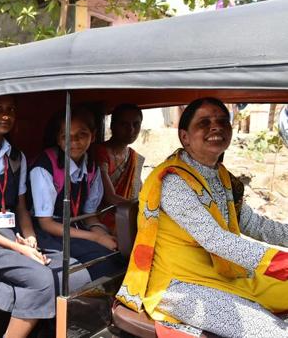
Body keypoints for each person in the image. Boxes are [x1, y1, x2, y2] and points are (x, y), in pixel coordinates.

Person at [117, 97, 288, 337]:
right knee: (273, 333)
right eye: (204, 123)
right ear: (184, 137)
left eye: (221, 121)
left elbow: (253, 224)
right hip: (181, 287)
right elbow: (216, 240)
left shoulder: (222, 176)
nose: (215, 127)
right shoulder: (172, 181)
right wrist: (282, 264)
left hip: (224, 275)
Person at [0, 95, 87, 338]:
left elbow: (21, 208)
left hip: (12, 229)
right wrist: (17, 248)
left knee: (70, 268)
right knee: (41, 278)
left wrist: (29, 239)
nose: (5, 115)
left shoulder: (17, 157)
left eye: (10, 110)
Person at [29, 107, 123, 281]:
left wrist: (103, 233)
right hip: (49, 233)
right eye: (66, 136)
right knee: (101, 261)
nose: (75, 141)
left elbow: (89, 216)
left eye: (82, 134)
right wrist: (95, 238)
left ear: (93, 136)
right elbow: (46, 224)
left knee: (117, 252)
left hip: (76, 226)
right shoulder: (44, 167)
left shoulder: (91, 167)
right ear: (58, 139)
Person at [93, 104, 144, 230]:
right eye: (124, 124)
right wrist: (143, 210)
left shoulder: (133, 157)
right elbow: (109, 197)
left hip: (128, 215)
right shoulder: (101, 152)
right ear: (112, 126)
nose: (131, 130)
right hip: (104, 219)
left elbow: (139, 191)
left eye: (136, 124)